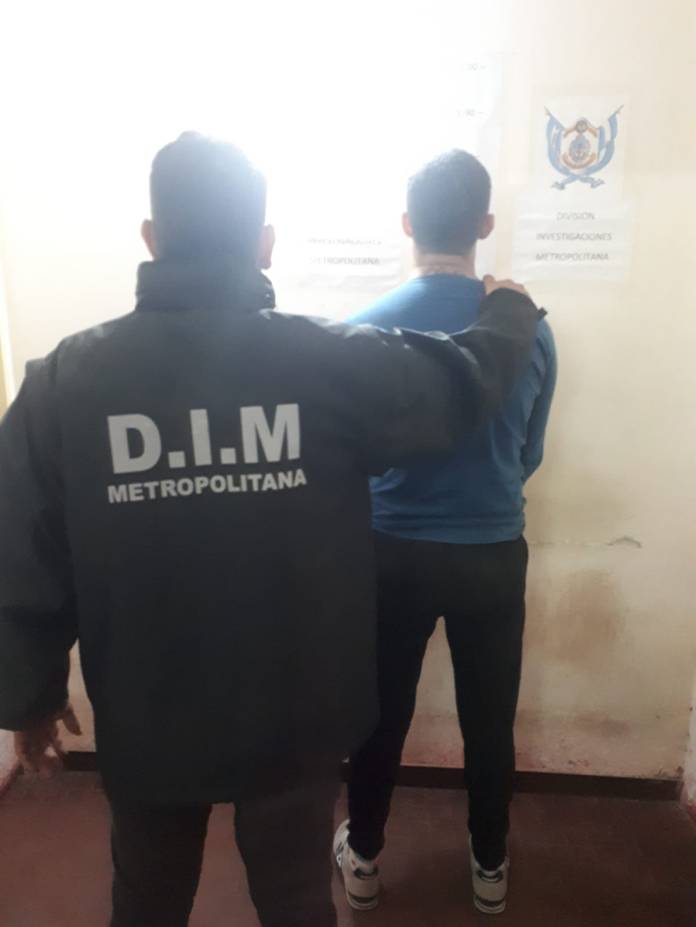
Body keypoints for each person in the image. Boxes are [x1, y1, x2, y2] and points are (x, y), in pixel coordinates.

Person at [0, 133, 542, 927]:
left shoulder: (62, 383)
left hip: (150, 711)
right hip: (296, 714)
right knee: (295, 902)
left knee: (146, 902)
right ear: (265, 243)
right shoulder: (328, 363)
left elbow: (22, 548)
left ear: (150, 237)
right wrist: (511, 310)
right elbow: (463, 385)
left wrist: (30, 695)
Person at [335, 150, 557, 916]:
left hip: (389, 554)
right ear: (485, 225)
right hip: (491, 553)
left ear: (406, 224)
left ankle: (364, 857)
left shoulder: (362, 329)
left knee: (378, 714)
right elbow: (529, 453)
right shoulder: (529, 330)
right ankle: (490, 865)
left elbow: (350, 457)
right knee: (489, 720)